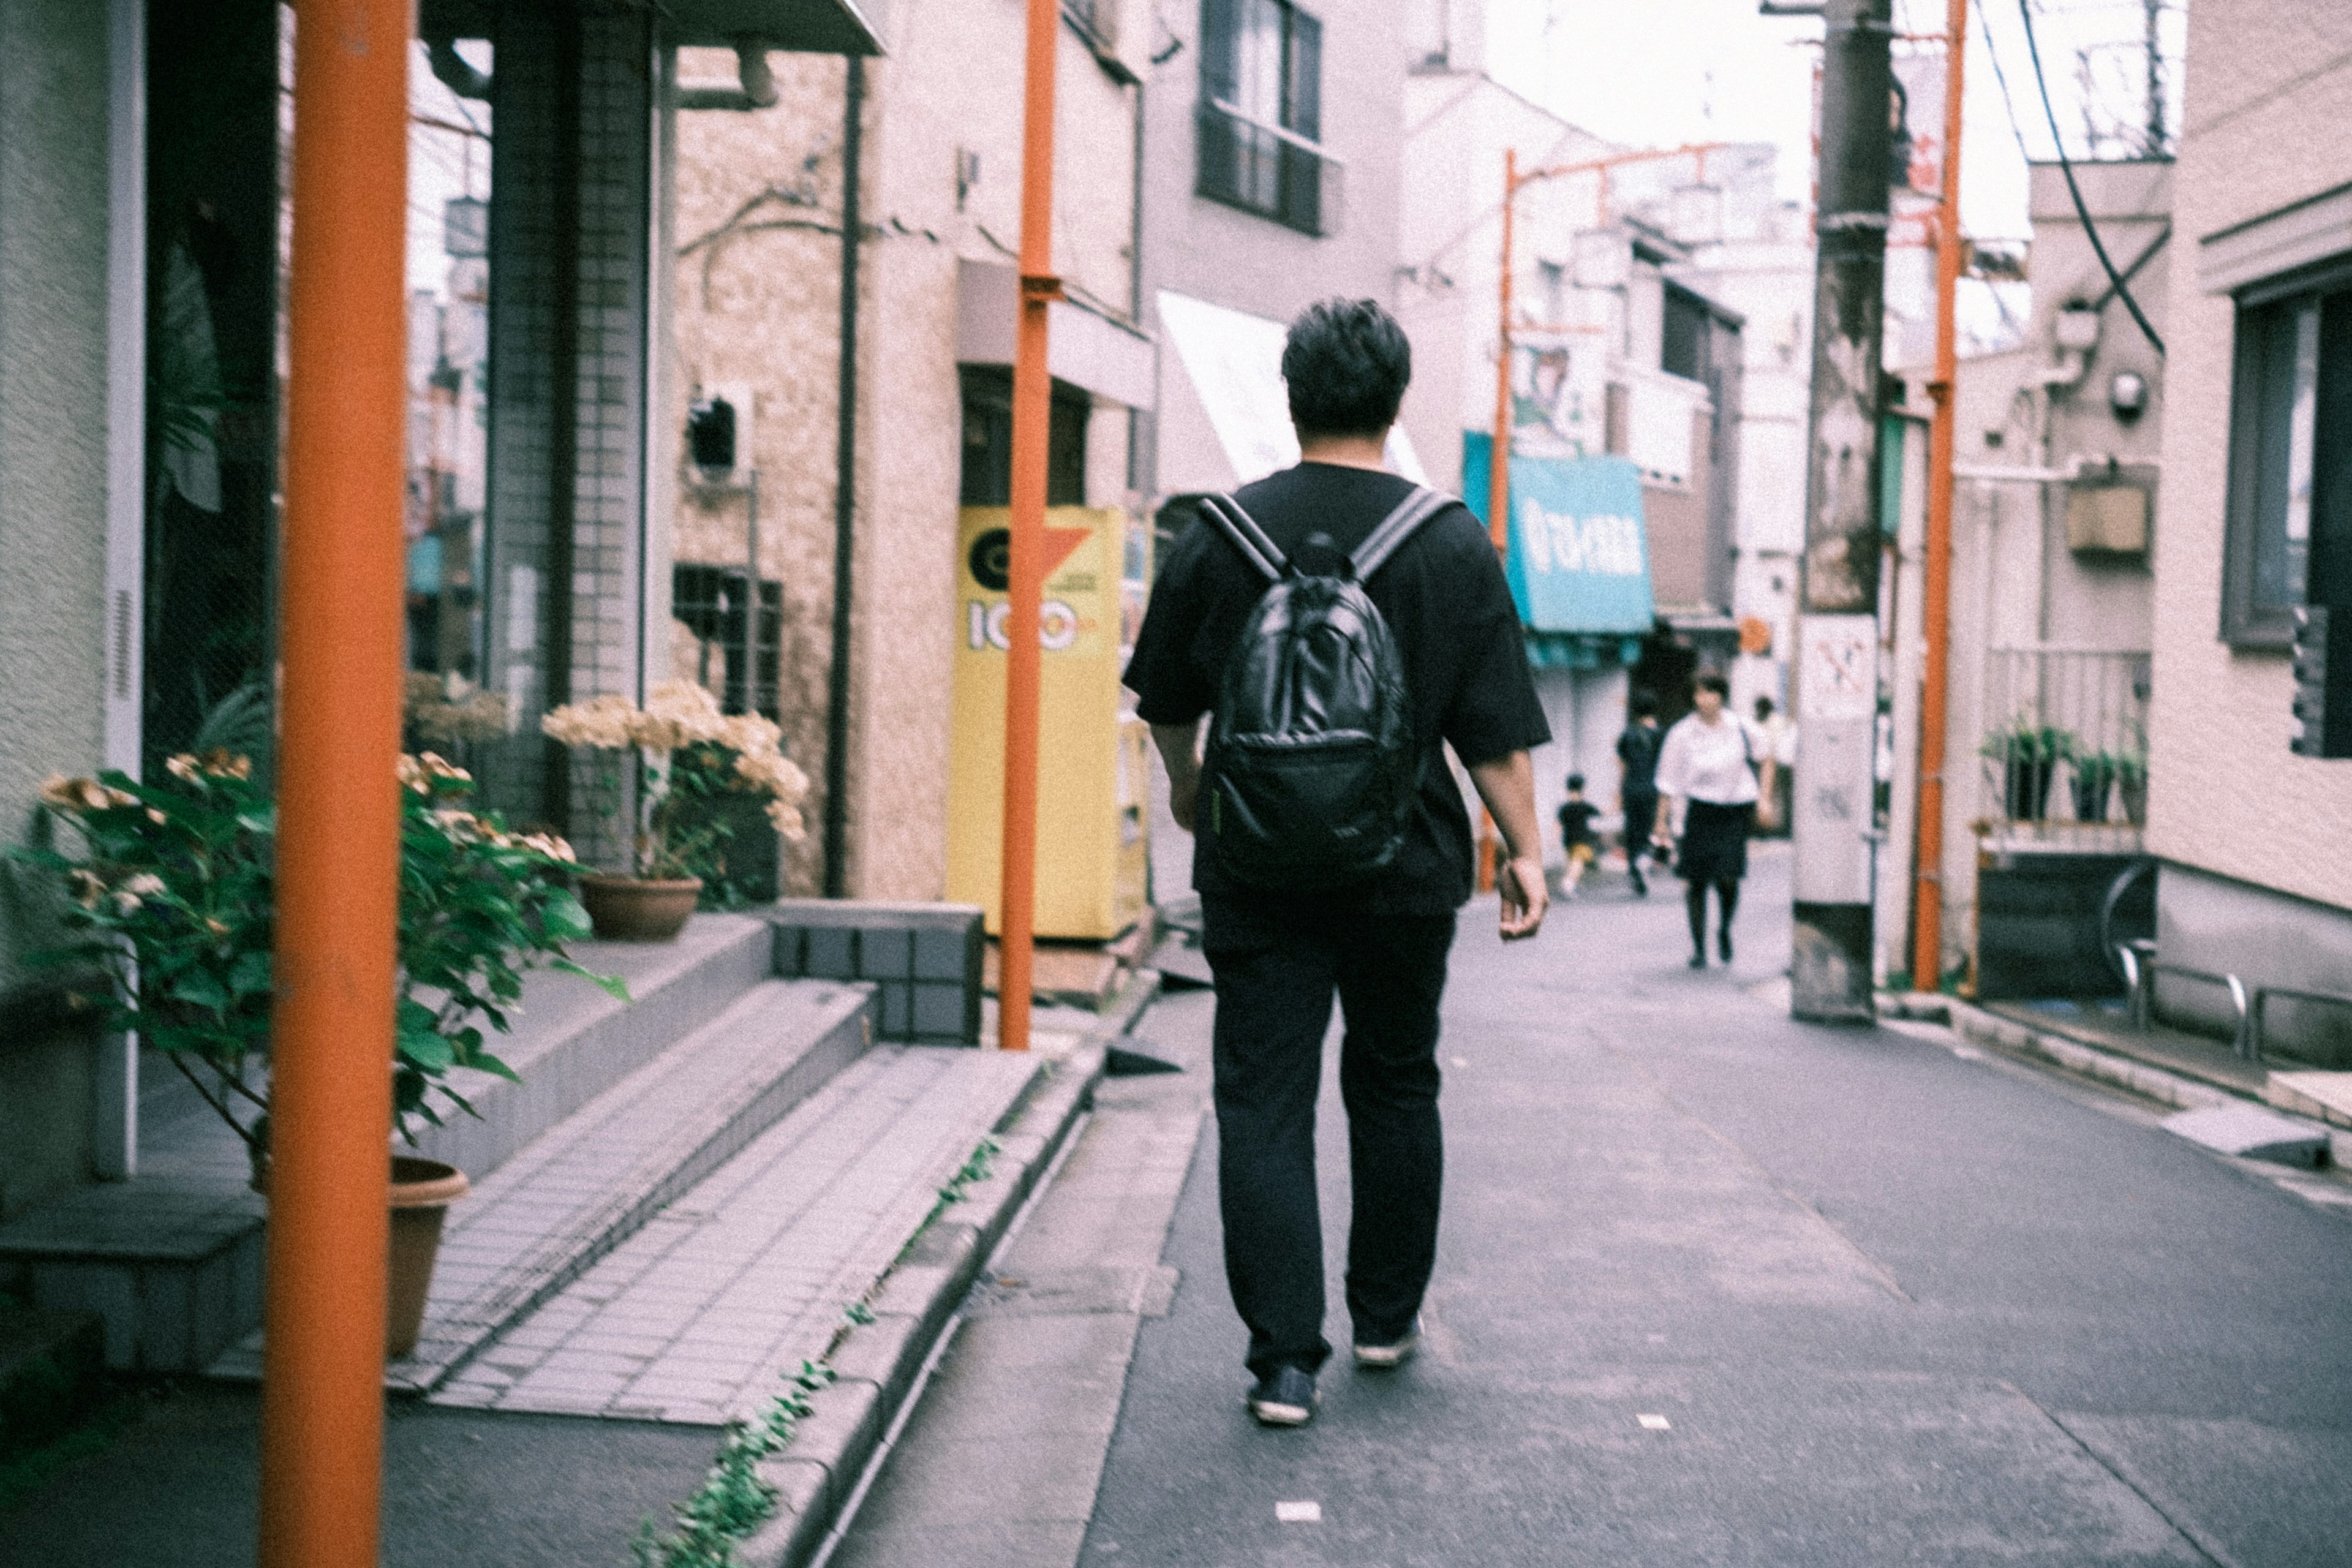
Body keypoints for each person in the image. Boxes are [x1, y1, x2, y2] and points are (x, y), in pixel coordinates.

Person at [1123, 299, 1551, 1429]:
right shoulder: (1450, 540)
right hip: (1406, 864)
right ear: (1395, 399)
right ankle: (1384, 1317)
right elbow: (1493, 729)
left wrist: (1189, 785)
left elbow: (1164, 701)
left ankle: (1282, 1364)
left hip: (1256, 864)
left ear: (1292, 394)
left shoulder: (1219, 534)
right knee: (1396, 1077)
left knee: (1264, 1097)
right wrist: (1525, 848)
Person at [1653, 672, 1774, 968]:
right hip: (1698, 811)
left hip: (1734, 810)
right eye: (1699, 693)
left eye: (1711, 692)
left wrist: (1764, 798)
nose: (1706, 699)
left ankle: (1723, 929)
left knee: (1728, 877)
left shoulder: (1741, 726)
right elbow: (1667, 781)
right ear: (1692, 698)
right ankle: (1698, 948)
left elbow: (1766, 756)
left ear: (1721, 695)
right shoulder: (1681, 734)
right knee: (1696, 882)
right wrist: (1661, 822)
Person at [1615, 690, 1664, 897]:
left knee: (1633, 830)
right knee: (1649, 828)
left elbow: (1622, 766)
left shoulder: (1628, 734)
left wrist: (1619, 792)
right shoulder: (1661, 735)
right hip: (1653, 789)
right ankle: (1645, 860)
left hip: (1632, 787)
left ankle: (1636, 869)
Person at [1752, 695, 1795, 835]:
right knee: (1772, 797)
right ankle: (1769, 826)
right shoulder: (1765, 721)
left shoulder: (1774, 722)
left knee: (1773, 797)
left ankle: (1773, 827)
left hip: (1776, 764)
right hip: (1774, 764)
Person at [1556, 774, 1600, 898]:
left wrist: (1554, 839)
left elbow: (1558, 823)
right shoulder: (1585, 806)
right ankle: (1568, 884)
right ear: (1583, 788)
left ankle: (1574, 884)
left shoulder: (1564, 807)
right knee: (1578, 862)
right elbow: (1602, 813)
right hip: (1582, 839)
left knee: (1572, 862)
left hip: (1568, 840)